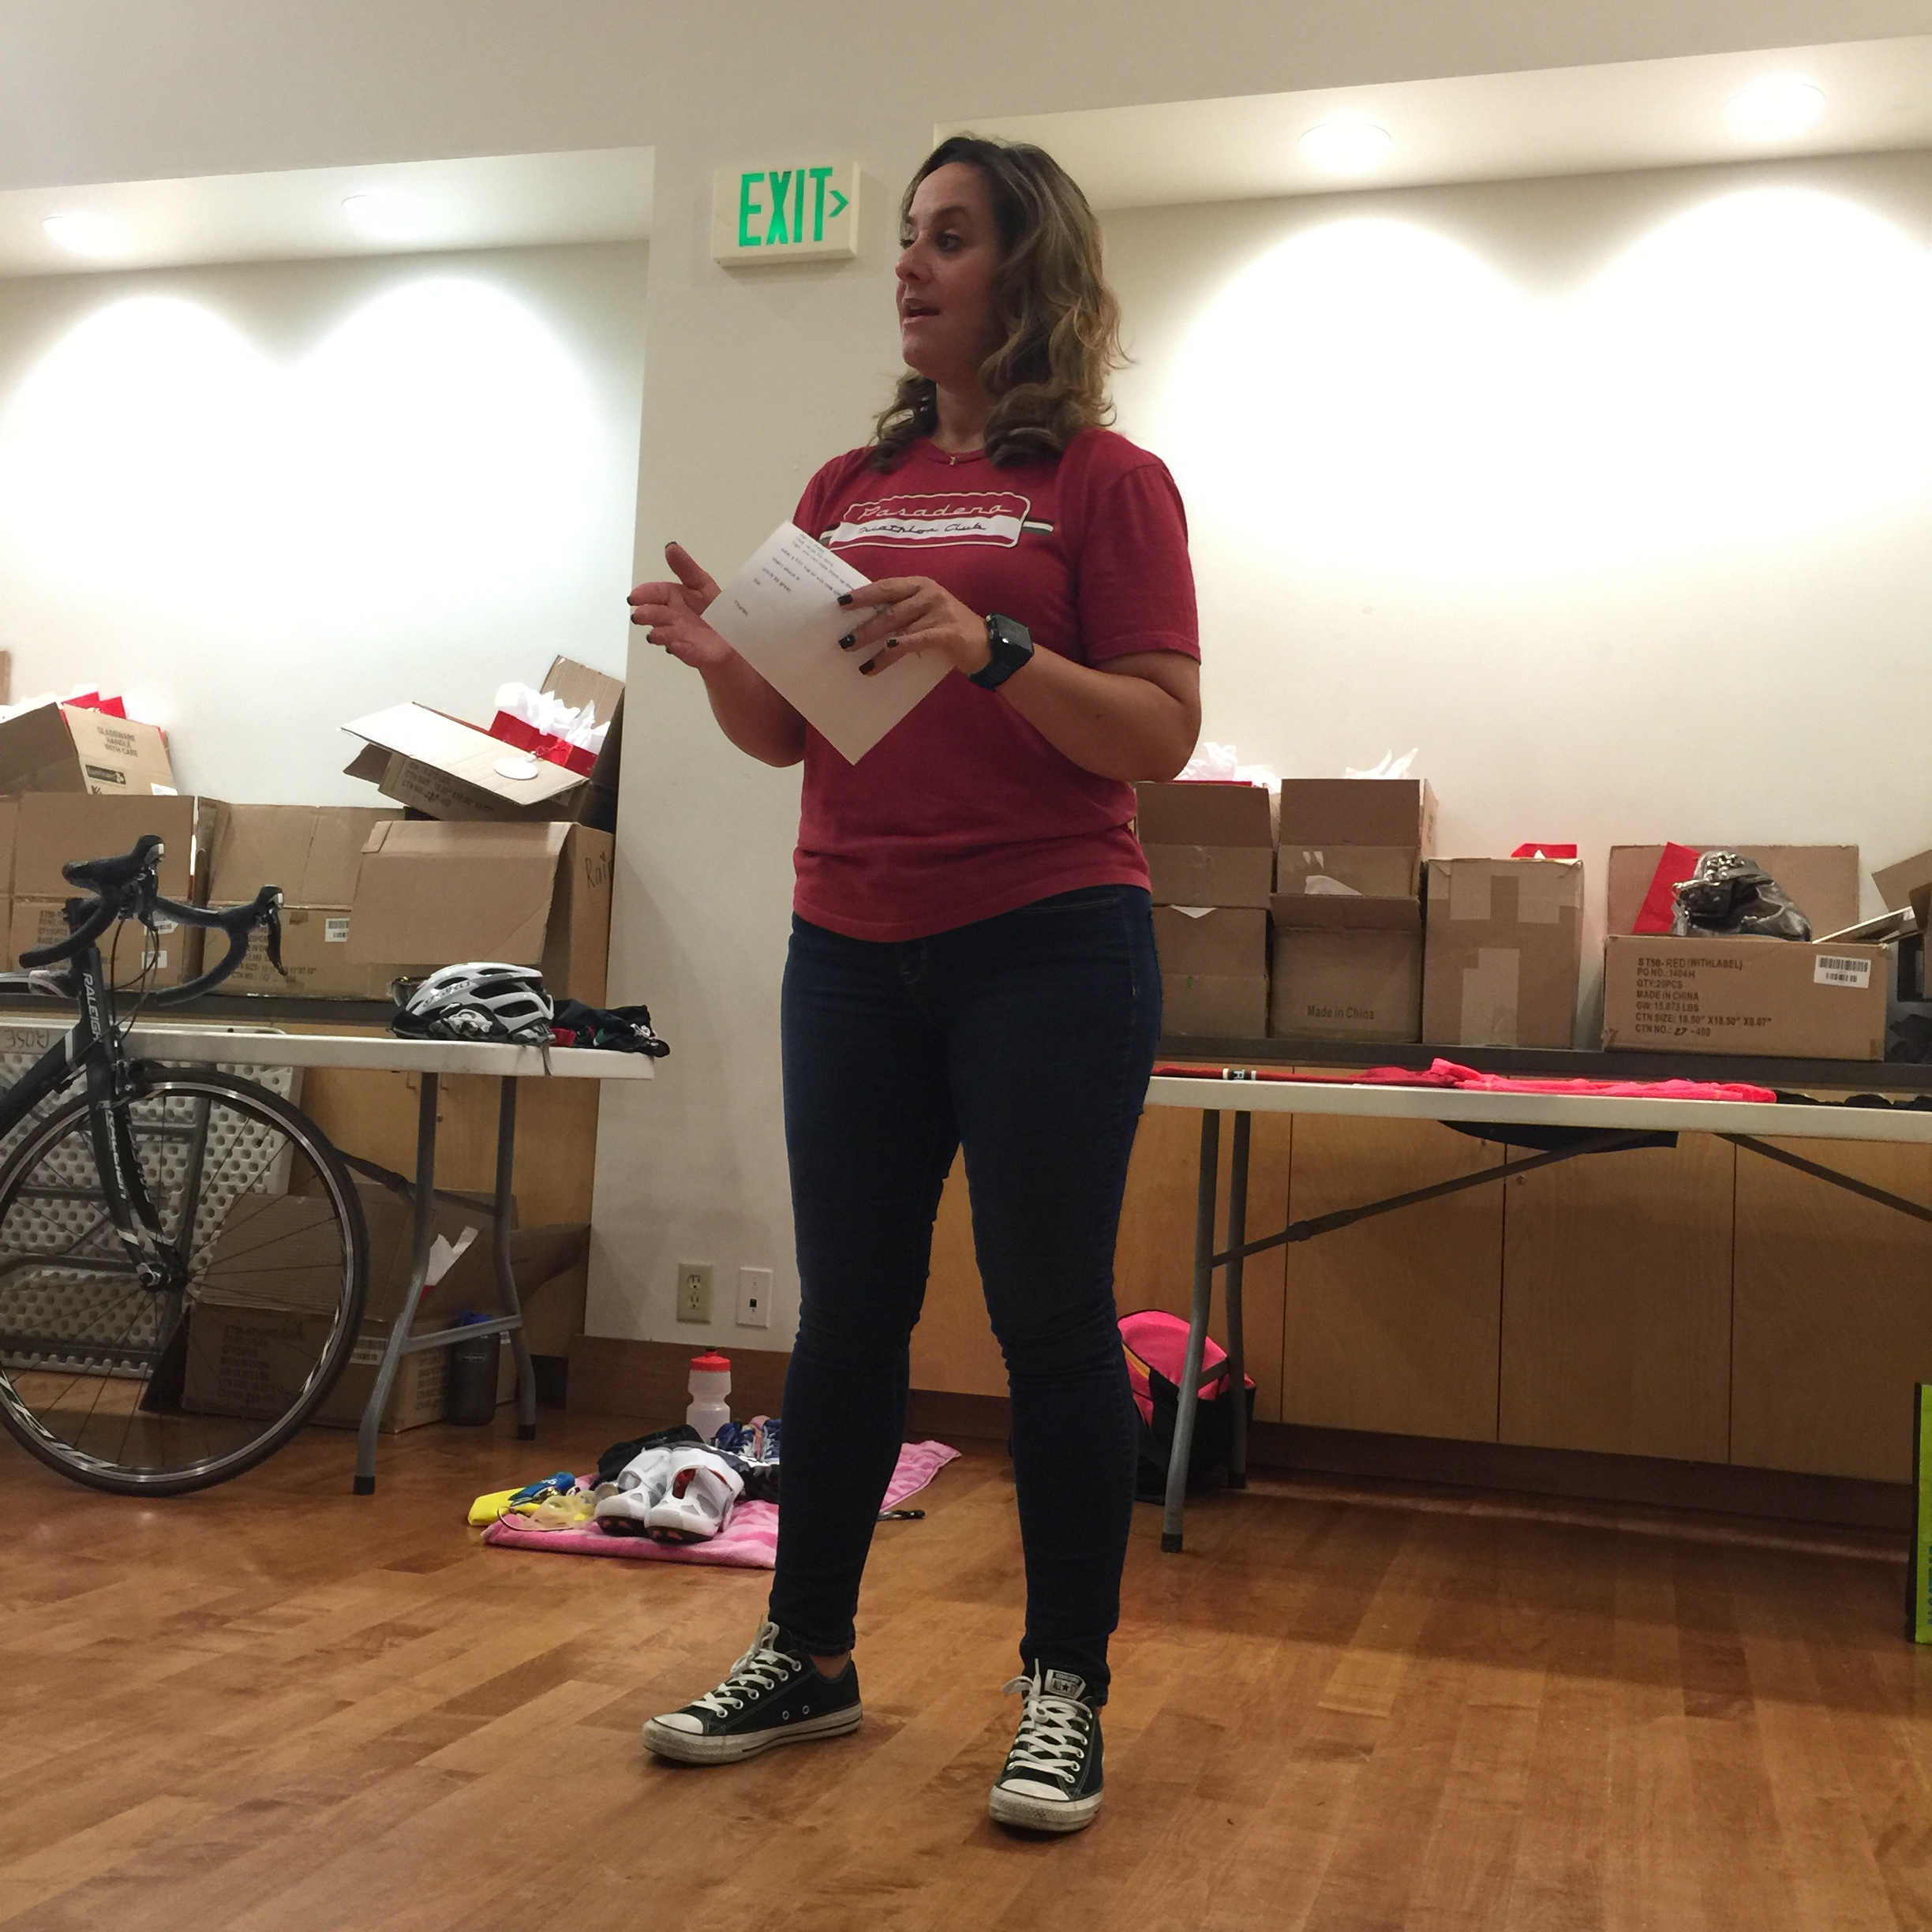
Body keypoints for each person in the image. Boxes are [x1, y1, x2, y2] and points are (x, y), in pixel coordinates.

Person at [626, 133, 1200, 1835]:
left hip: (1050, 944)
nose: (910, 264)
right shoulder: (844, 486)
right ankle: (807, 1657)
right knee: (849, 1317)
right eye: (906, 236)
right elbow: (784, 734)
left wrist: (996, 644)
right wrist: (726, 660)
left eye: (950, 237)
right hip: (851, 947)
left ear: (1029, 272)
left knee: (1049, 1322)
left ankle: (1063, 1687)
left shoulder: (1107, 482)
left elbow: (1162, 732)